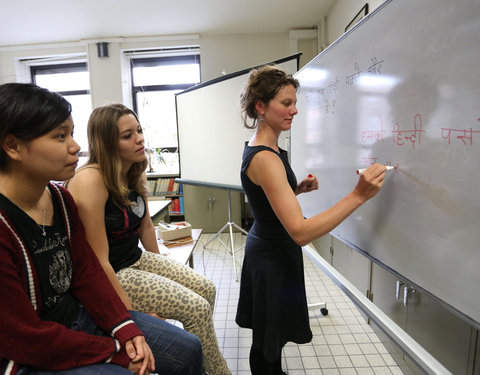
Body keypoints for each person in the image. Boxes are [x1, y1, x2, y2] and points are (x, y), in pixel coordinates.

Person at [0, 83, 203, 375]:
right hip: (29, 353)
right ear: (13, 146)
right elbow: (23, 337)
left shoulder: (59, 199)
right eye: (60, 136)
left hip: (80, 316)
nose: (75, 146)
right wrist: (113, 352)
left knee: (187, 349)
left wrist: (126, 327)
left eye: (71, 133)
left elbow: (85, 270)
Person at [235, 65, 387, 375]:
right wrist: (358, 195)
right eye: (286, 103)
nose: (295, 110)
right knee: (267, 345)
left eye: (295, 102)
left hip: (269, 249)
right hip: (271, 257)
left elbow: (267, 198)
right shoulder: (265, 157)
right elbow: (301, 232)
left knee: (269, 337)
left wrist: (294, 190)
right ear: (260, 107)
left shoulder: (266, 147)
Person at [65, 104, 231, 375]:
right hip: (114, 272)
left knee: (207, 289)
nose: (140, 138)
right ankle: (218, 372)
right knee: (197, 309)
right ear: (107, 142)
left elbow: (144, 225)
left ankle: (196, 361)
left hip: (137, 259)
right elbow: (98, 262)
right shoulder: (91, 179)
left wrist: (159, 257)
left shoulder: (132, 168)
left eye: (139, 131)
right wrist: (135, 319)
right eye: (127, 135)